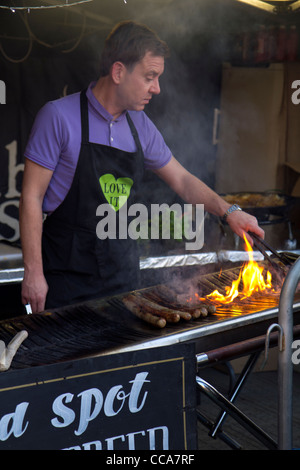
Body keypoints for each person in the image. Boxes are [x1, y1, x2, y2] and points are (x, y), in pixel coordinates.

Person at [19, 20, 264, 314]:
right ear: (119, 71)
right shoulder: (58, 117)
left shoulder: (140, 126)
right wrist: (33, 273)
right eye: (150, 76)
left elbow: (183, 180)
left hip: (123, 282)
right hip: (66, 281)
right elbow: (31, 198)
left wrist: (230, 212)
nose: (157, 88)